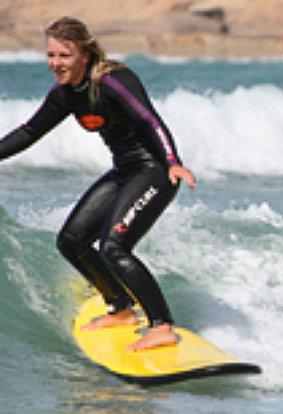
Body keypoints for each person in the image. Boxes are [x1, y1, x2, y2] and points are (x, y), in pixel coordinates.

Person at [0, 17, 196, 351]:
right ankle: (120, 308)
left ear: (85, 55)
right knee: (71, 241)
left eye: (65, 55)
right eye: (51, 55)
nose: (56, 63)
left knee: (114, 247)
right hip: (125, 171)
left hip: (155, 171)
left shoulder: (113, 81)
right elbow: (29, 132)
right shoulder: (65, 95)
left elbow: (150, 119)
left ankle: (161, 325)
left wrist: (173, 161)